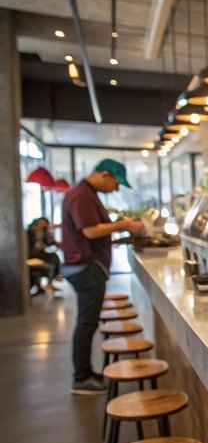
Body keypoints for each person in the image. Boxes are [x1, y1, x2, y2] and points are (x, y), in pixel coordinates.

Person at [61, 159, 145, 395]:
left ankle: (86, 372)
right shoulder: (82, 195)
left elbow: (93, 234)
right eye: (116, 183)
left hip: (85, 265)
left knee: (88, 323)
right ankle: (82, 378)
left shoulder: (86, 193)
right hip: (85, 267)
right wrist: (125, 224)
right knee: (87, 324)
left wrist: (121, 237)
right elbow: (89, 231)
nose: (116, 189)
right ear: (105, 175)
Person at [27, 217, 62, 295]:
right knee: (49, 262)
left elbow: (50, 242)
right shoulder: (29, 231)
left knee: (54, 257)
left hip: (41, 254)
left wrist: (56, 243)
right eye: (42, 222)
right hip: (30, 255)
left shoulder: (44, 231)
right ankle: (41, 285)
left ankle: (52, 280)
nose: (44, 224)